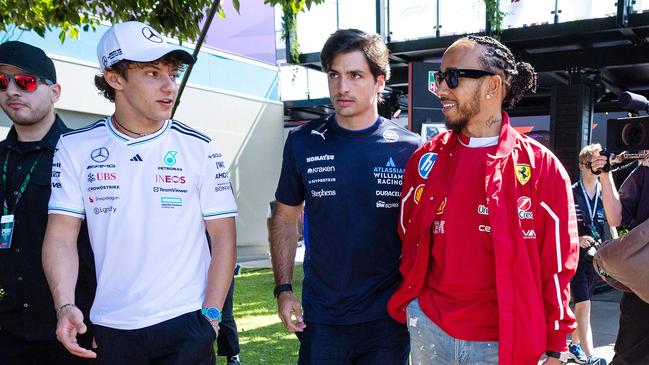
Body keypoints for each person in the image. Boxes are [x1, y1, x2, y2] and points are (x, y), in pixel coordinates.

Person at [42, 21, 238, 364]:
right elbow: (61, 235)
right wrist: (65, 305)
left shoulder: (200, 148)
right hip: (111, 328)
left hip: (188, 323)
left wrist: (211, 316)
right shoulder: (74, 147)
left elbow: (223, 239)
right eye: (152, 73)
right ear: (114, 78)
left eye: (172, 73)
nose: (169, 86)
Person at [387, 35, 578, 365]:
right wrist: (417, 307)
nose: (441, 89)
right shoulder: (423, 162)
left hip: (506, 340)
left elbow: (557, 267)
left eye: (453, 77)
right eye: (438, 77)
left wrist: (556, 346)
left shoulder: (541, 168)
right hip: (431, 331)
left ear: (493, 85)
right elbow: (409, 238)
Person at [270, 28, 421, 365]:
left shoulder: (411, 149)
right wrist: (284, 289)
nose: (342, 87)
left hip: (389, 319)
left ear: (379, 81)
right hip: (323, 318)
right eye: (334, 75)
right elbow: (284, 217)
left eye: (355, 75)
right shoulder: (303, 142)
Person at [0, 41, 96, 365]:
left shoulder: (84, 156)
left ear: (54, 91)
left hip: (74, 330)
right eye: (2, 82)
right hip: (8, 333)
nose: (12, 90)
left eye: (25, 81)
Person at [591, 147, 649, 365]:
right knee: (630, 355)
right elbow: (616, 218)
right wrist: (605, 176)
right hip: (642, 285)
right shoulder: (644, 171)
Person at [567, 144, 613, 365]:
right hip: (575, 256)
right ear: (581, 166)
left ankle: (575, 345)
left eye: (597, 164)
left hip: (595, 258)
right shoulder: (571, 192)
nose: (594, 168)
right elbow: (560, 226)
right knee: (583, 305)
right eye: (590, 164)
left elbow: (613, 224)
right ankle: (591, 356)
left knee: (584, 306)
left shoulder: (604, 191)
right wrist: (576, 240)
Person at [217, 264, 242, 365]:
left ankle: (233, 355)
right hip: (199, 274)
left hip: (223, 272)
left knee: (223, 316)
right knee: (203, 314)